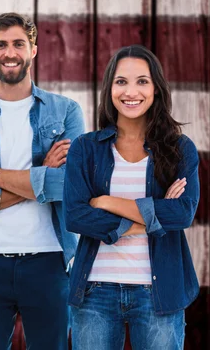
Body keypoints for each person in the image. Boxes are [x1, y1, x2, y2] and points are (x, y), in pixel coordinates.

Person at [64, 44, 199, 350]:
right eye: (121, 81)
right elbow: (75, 216)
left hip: (159, 293)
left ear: (156, 89)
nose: (131, 91)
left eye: (142, 81)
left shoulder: (180, 149)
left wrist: (106, 202)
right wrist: (151, 216)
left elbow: (182, 213)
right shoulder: (86, 148)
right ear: (109, 88)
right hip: (94, 290)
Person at [0, 13, 85, 350]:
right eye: (1, 45)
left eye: (18, 43)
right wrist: (42, 173)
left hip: (49, 261)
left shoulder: (65, 112)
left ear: (34, 49)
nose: (10, 52)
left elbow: (72, 187)